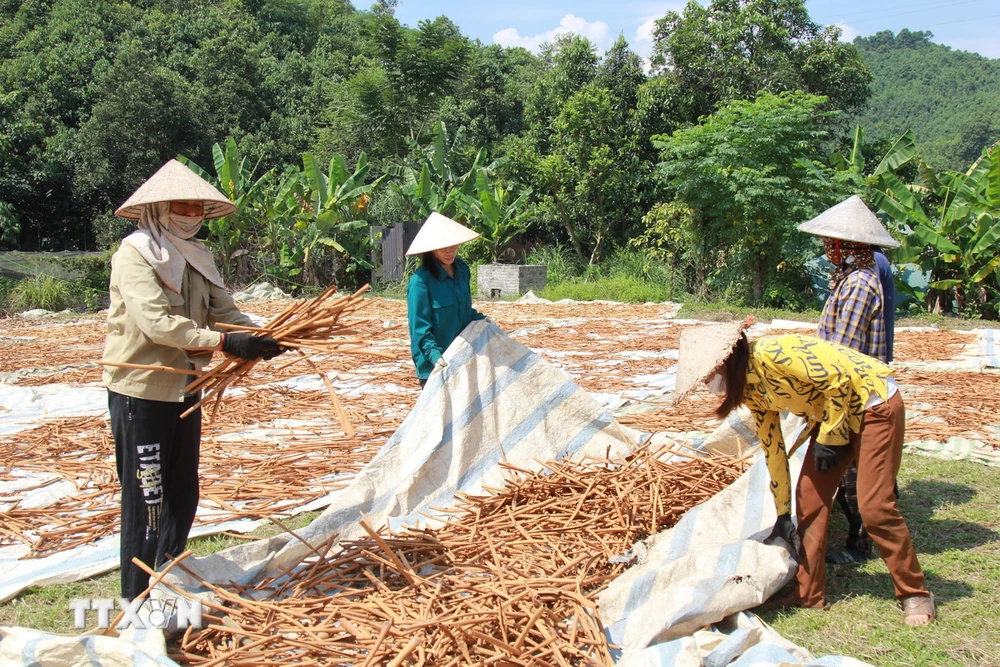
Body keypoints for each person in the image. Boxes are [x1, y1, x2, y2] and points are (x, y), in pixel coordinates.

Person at [102, 159, 284, 600]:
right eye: (182, 206)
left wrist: (262, 335)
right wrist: (225, 343)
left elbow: (226, 312)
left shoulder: (199, 257)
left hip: (186, 386)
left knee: (183, 489)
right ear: (159, 208)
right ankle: (136, 595)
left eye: (198, 208)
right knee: (149, 496)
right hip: (142, 390)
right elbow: (157, 324)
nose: (191, 214)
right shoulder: (135, 254)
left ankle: (167, 579)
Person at [673, 321, 934, 625]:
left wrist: (829, 439)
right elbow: (773, 449)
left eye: (708, 376)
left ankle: (914, 591)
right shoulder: (752, 390)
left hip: (873, 404)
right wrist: (783, 513)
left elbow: (839, 381)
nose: (708, 383)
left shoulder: (773, 354)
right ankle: (808, 592)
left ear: (724, 362)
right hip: (833, 417)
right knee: (809, 498)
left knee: (874, 506)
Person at [798, 195, 899, 564]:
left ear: (843, 245)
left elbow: (842, 353)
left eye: (829, 244)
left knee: (851, 468)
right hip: (848, 387)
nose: (826, 251)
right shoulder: (849, 278)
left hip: (852, 392)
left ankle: (860, 542)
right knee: (848, 466)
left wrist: (817, 397)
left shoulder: (858, 285)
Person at [406, 212, 486, 387]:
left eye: (453, 246)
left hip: (462, 357)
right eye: (444, 248)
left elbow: (464, 310)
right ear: (432, 248)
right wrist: (435, 356)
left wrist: (482, 321)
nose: (450, 252)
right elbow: (419, 328)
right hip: (434, 365)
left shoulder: (462, 270)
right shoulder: (420, 282)